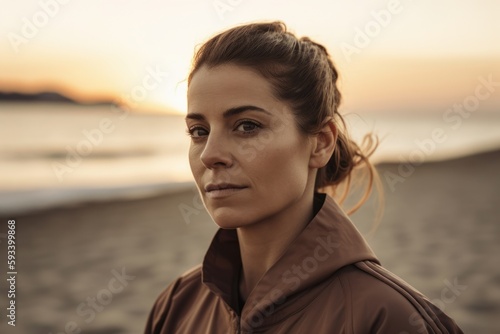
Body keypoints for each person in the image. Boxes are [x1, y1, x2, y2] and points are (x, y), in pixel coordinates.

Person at [144, 21, 463, 333]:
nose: (209, 155)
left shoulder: (390, 319)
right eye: (199, 131)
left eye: (247, 126)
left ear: (321, 143)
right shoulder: (177, 305)